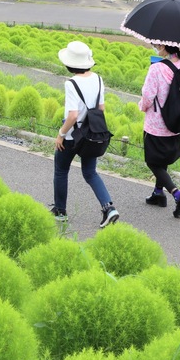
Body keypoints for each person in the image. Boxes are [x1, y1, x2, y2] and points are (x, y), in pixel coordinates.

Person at [52, 41, 119, 228]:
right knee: (90, 173)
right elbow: (101, 108)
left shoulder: (71, 83)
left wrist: (61, 134)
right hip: (92, 135)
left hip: (73, 136)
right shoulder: (98, 79)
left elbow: (72, 115)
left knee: (61, 169)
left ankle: (60, 211)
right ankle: (109, 208)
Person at [139, 44, 180, 218]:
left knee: (153, 162)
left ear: (163, 46)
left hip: (157, 123)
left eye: (156, 45)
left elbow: (148, 96)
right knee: (162, 160)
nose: (155, 48)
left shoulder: (156, 68)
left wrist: (141, 106)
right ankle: (158, 194)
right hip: (177, 121)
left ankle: (178, 195)